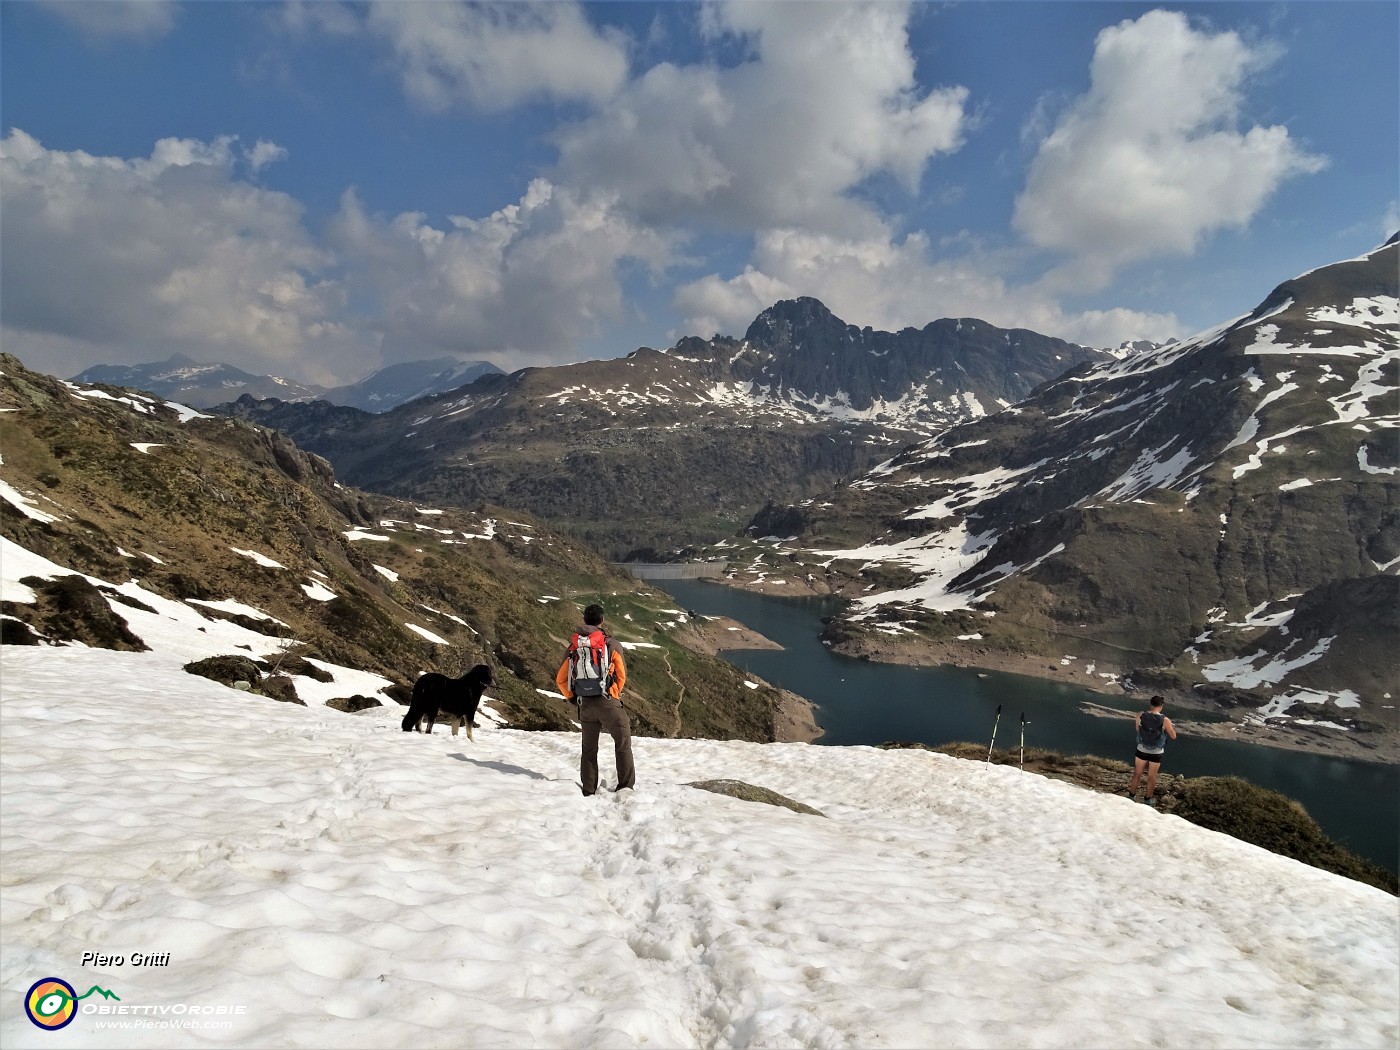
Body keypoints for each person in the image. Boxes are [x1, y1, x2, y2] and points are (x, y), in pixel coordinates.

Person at [556, 603, 634, 796]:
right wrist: (613, 693)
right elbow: (622, 676)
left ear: (584, 620)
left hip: (586, 705)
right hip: (609, 702)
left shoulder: (574, 647)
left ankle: (589, 789)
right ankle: (625, 787)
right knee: (622, 743)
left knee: (589, 750)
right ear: (602, 620)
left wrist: (573, 697)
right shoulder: (612, 644)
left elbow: (561, 679)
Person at [1128, 695, 1177, 805]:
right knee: (1152, 776)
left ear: (1150, 704)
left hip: (1141, 749)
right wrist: (1172, 727)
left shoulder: (1140, 715)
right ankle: (1148, 799)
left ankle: (1131, 796)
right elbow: (1173, 736)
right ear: (1161, 706)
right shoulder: (1165, 720)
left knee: (1137, 773)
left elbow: (1138, 729)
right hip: (1156, 752)